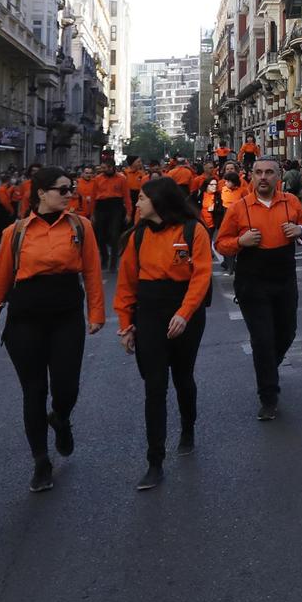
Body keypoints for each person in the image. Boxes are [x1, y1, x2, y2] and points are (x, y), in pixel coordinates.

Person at [0, 166, 104, 493]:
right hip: (25, 318)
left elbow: (92, 271)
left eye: (70, 189)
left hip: (66, 315)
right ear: (42, 193)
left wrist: (96, 314)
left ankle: (61, 418)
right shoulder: (15, 233)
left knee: (66, 387)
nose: (69, 194)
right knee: (33, 391)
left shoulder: (80, 226)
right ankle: (41, 462)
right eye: (62, 190)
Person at [117, 177, 213, 490]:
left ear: (159, 201)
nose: (138, 203)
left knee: (183, 376)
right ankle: (155, 461)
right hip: (150, 314)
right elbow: (127, 284)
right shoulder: (138, 236)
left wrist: (184, 314)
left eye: (142, 198)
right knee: (154, 386)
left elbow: (201, 277)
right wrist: (125, 324)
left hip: (185, 310)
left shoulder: (192, 230)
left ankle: (187, 428)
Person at [214, 157, 302, 421]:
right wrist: (240, 241)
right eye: (258, 173)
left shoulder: (291, 202)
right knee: (262, 339)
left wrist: (300, 229)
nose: (263, 177)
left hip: (284, 278)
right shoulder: (239, 208)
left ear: (277, 176)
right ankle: (268, 397)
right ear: (252, 176)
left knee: (287, 332)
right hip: (252, 281)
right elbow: (221, 243)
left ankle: (270, 364)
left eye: (269, 172)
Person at [85, 155, 131, 270]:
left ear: (111, 167)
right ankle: (104, 257)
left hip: (116, 207)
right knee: (100, 236)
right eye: (102, 167)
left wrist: (129, 213)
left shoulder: (121, 179)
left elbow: (126, 197)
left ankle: (113, 263)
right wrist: (92, 214)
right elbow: (94, 196)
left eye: (104, 167)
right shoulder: (98, 179)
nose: (102, 169)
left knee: (114, 234)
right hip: (101, 207)